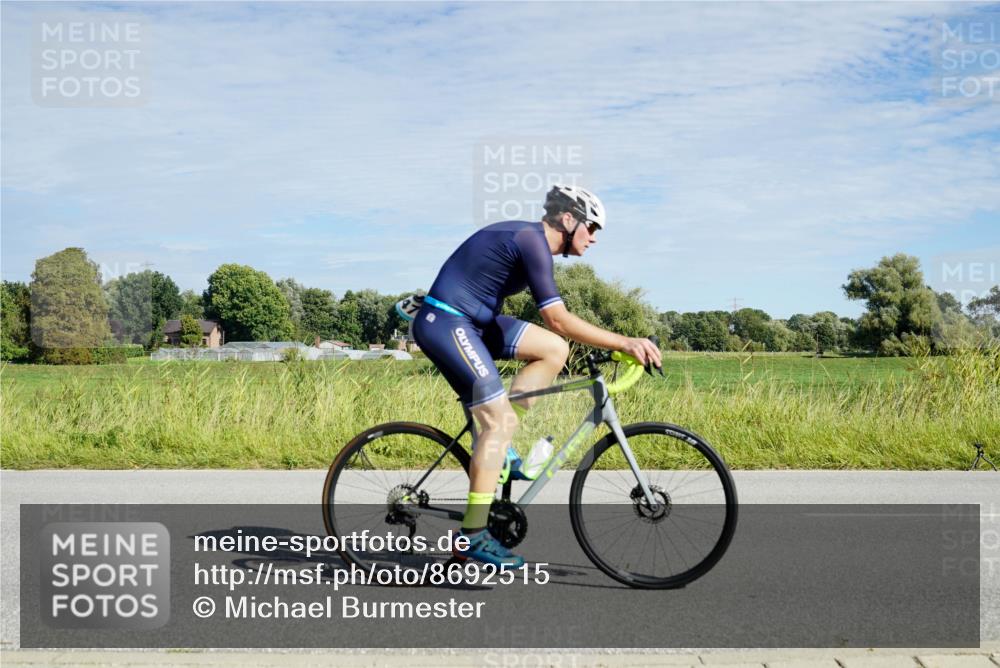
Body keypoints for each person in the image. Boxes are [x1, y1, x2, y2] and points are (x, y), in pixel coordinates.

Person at [411, 185, 662, 567]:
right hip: (448, 322)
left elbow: (554, 331)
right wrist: (624, 342)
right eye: (591, 228)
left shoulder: (535, 245)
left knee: (553, 350)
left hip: (472, 322)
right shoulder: (531, 240)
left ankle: (503, 449)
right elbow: (557, 318)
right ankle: (473, 535)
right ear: (568, 219)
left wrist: (616, 344)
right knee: (495, 423)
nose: (594, 238)